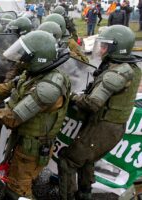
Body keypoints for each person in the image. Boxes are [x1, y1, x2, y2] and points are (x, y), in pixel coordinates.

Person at [0, 30, 71, 199]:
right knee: (19, 181)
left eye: (25, 55)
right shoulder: (35, 73)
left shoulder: (47, 88)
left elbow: (11, 119)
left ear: (37, 57)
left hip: (32, 149)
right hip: (25, 142)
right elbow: (9, 87)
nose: (21, 57)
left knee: (17, 190)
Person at [58, 25, 142, 200]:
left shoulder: (116, 73)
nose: (101, 49)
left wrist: (72, 97)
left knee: (67, 160)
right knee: (86, 160)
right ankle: (84, 194)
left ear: (116, 48)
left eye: (105, 46)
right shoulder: (130, 67)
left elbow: (92, 103)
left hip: (104, 127)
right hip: (110, 125)